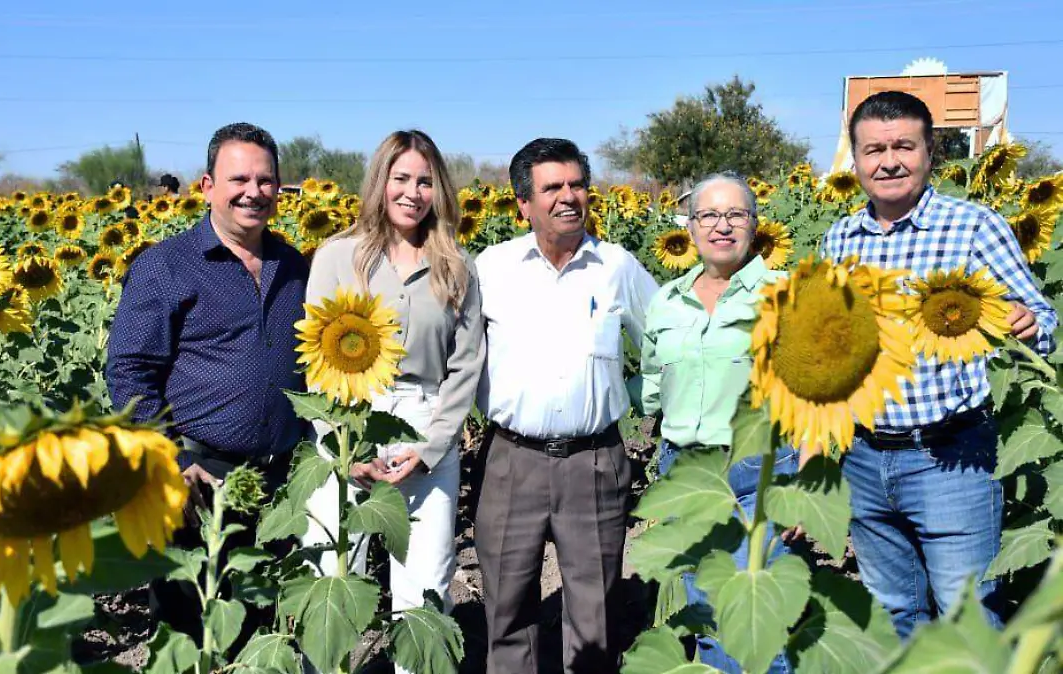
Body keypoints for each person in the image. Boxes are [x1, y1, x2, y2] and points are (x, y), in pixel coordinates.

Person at [821, 91, 1057, 638]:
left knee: (967, 617)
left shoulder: (974, 226)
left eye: (904, 145)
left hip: (950, 458)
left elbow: (1043, 320)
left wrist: (1027, 320)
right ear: (855, 161)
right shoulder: (840, 238)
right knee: (891, 613)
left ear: (931, 154)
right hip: (863, 456)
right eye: (873, 149)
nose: (888, 161)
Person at [106, 122, 309, 640]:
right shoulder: (165, 266)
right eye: (239, 178)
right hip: (196, 478)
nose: (253, 192)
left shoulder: (293, 264)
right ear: (207, 187)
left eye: (266, 180)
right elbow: (129, 372)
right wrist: (173, 460)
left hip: (278, 484)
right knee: (190, 629)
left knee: (262, 631)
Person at [300, 129, 485, 674]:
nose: (412, 192)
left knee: (425, 585)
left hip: (427, 425)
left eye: (424, 181)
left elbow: (465, 364)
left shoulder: (456, 264)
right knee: (333, 575)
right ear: (380, 182)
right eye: (401, 178)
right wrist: (341, 447)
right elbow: (317, 357)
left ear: (439, 189)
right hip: (349, 421)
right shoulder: (338, 256)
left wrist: (430, 448)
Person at [474, 138, 658, 673]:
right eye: (551, 187)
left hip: (595, 461)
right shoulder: (492, 268)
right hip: (511, 461)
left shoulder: (616, 267)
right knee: (506, 612)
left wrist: (636, 400)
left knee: (594, 611)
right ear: (523, 204)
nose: (568, 197)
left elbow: (666, 341)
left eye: (577, 184)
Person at [641, 172, 794, 673]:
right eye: (709, 215)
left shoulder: (783, 296)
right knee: (708, 613)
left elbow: (815, 393)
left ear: (755, 225)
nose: (721, 226)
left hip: (759, 475)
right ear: (690, 225)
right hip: (688, 474)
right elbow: (651, 385)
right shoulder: (667, 300)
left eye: (736, 215)